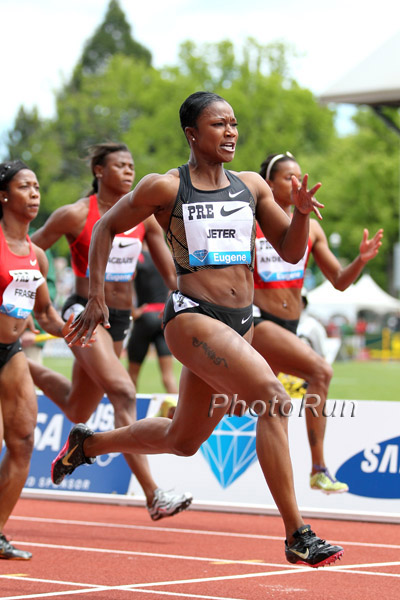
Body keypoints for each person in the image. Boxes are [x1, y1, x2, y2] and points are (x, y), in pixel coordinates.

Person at [52, 92, 344, 568]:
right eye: (219, 124)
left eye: (234, 123)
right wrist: (96, 296)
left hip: (241, 324)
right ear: (192, 134)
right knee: (274, 399)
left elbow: (292, 252)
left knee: (183, 441)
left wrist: (301, 215)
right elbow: (105, 226)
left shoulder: (251, 186)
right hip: (192, 317)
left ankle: (89, 444)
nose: (231, 132)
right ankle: (298, 534)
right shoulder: (165, 188)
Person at [28, 143, 192, 520]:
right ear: (99, 171)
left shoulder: (142, 217)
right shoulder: (75, 214)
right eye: (120, 165)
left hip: (119, 320)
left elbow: (171, 274)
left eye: (132, 165)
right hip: (83, 313)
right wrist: (38, 302)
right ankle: (153, 495)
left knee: (77, 406)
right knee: (123, 391)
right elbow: (25, 253)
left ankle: (18, 364)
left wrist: (195, 298)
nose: (129, 171)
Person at [252, 152, 383, 494]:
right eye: (288, 177)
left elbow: (339, 281)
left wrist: (360, 260)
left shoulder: (310, 228)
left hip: (290, 326)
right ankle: (319, 468)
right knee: (320, 372)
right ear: (268, 184)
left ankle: (176, 410)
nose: (297, 182)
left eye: (300, 175)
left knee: (242, 407)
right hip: (258, 323)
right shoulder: (251, 223)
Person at [0, 160, 85, 559]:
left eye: (36, 186)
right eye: (24, 187)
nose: (34, 193)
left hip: (10, 352)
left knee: (23, 440)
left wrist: (79, 334)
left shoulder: (37, 255)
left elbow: (47, 313)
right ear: (3, 196)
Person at [126, 244, 179, 396]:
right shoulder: (167, 256)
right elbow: (176, 283)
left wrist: (133, 311)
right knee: (168, 377)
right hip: (163, 316)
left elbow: (126, 282)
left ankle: (129, 409)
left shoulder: (137, 256)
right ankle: (179, 409)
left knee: (132, 375)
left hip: (146, 315)